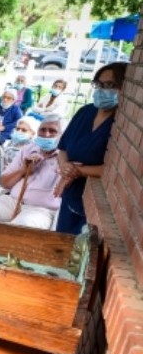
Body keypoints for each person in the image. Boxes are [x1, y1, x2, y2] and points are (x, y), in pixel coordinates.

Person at [55, 62, 128, 234]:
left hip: (98, 206)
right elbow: (63, 148)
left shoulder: (122, 123)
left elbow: (115, 170)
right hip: (70, 196)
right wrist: (65, 167)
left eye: (110, 85)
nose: (103, 90)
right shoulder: (85, 112)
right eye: (99, 84)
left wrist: (79, 170)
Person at [0, 115, 63, 230]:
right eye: (43, 130)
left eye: (52, 131)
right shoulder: (28, 150)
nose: (46, 134)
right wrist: (24, 169)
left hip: (42, 210)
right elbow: (4, 183)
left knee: (23, 223)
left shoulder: (65, 157)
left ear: (62, 135)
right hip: (14, 202)